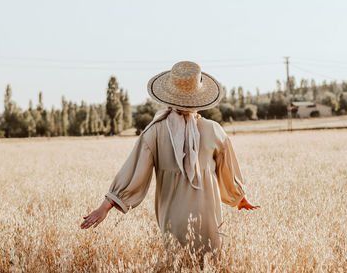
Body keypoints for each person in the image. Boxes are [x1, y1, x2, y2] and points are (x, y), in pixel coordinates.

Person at [81, 61, 259, 254]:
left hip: (172, 220)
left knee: (176, 263)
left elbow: (132, 172)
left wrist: (105, 207)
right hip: (208, 219)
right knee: (209, 263)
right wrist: (239, 197)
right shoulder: (214, 131)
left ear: (169, 95)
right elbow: (228, 172)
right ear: (199, 98)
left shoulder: (154, 131)